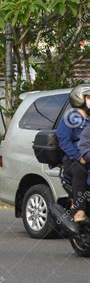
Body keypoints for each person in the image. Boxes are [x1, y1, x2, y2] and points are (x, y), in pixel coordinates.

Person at [56, 84, 90, 222]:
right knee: (80, 170)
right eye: (88, 97)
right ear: (79, 99)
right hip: (73, 161)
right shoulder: (70, 119)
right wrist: (78, 157)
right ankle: (80, 210)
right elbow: (64, 140)